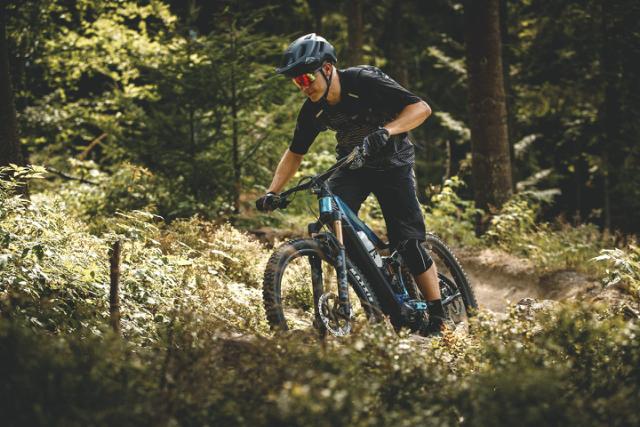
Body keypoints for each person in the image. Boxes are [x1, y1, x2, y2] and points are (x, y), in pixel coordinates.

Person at [255, 33, 446, 336]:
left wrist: (388, 130)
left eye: (306, 77)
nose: (304, 87)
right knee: (335, 226)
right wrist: (272, 191)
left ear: (328, 69)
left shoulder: (364, 80)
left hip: (393, 163)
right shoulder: (313, 110)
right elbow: (294, 153)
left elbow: (421, 108)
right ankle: (376, 292)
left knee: (408, 241)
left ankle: (438, 316)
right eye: (297, 82)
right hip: (354, 166)